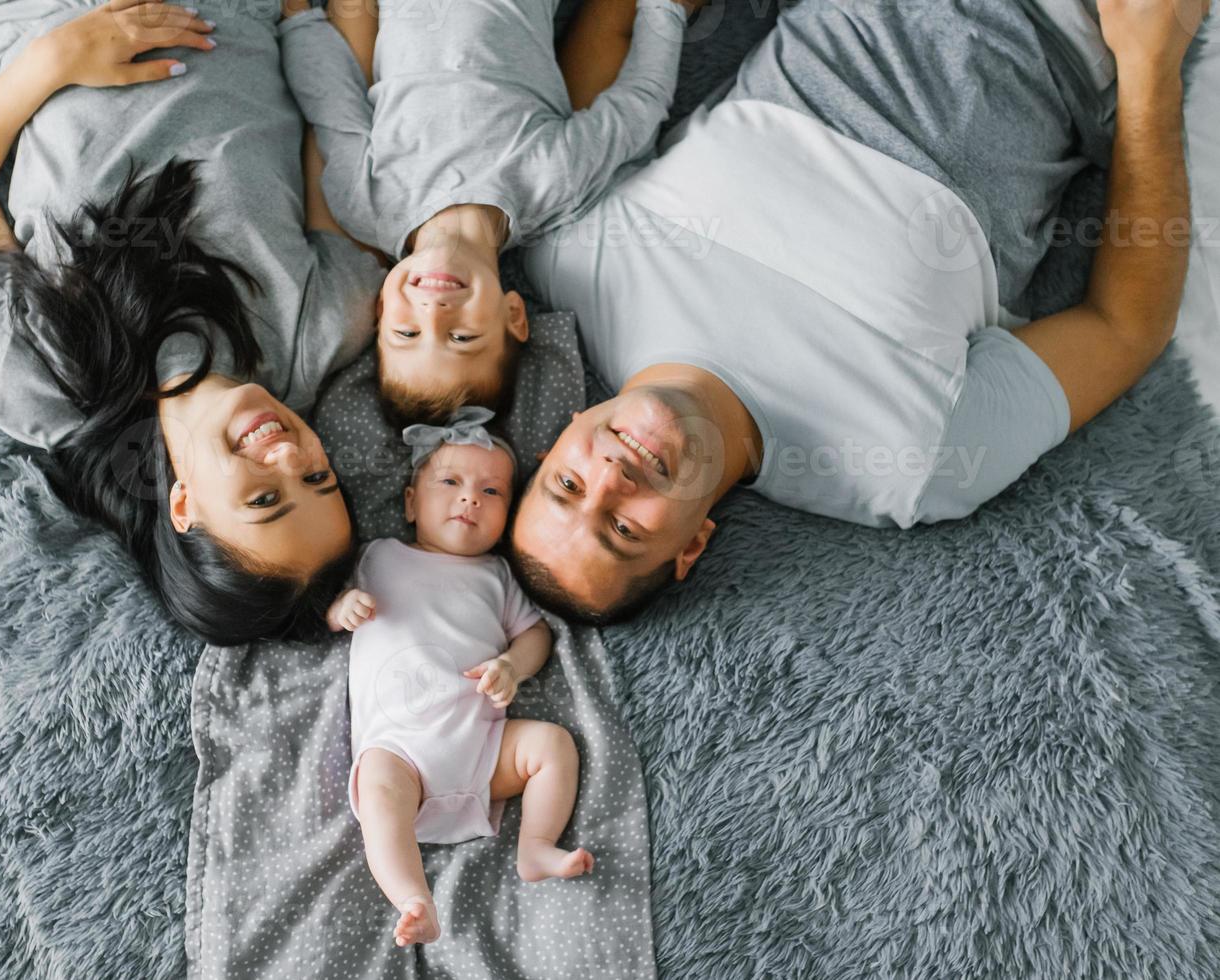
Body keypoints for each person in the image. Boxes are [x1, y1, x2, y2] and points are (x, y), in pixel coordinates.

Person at [508, 0, 1212, 622]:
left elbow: (624, 25)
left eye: (568, 484)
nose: (611, 480)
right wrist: (1151, 68)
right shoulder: (908, 467)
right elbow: (1125, 327)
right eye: (625, 530)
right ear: (693, 545)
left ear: (558, 438)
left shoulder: (574, 260)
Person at [0, 0, 387, 642]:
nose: (286, 454)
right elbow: (331, 137)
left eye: (265, 498)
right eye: (316, 477)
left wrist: (50, 62)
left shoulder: (43, 385)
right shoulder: (322, 329)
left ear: (185, 506)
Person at [277, 0, 692, 423]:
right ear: (514, 315)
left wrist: (297, 20)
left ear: (381, 311)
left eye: (407, 333)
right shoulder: (550, 185)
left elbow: (331, 99)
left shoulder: (365, 204)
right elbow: (640, 103)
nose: (434, 314)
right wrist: (666, 11)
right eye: (462, 336)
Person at [327, 409, 589, 947]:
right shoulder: (378, 557)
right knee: (376, 789)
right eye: (450, 482)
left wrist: (512, 665)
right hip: (402, 754)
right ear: (409, 501)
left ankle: (536, 846)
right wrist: (341, 608)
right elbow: (323, 606)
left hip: (484, 749)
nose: (470, 498)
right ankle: (412, 897)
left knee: (552, 745)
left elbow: (535, 635)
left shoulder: (497, 577)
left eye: (492, 492)